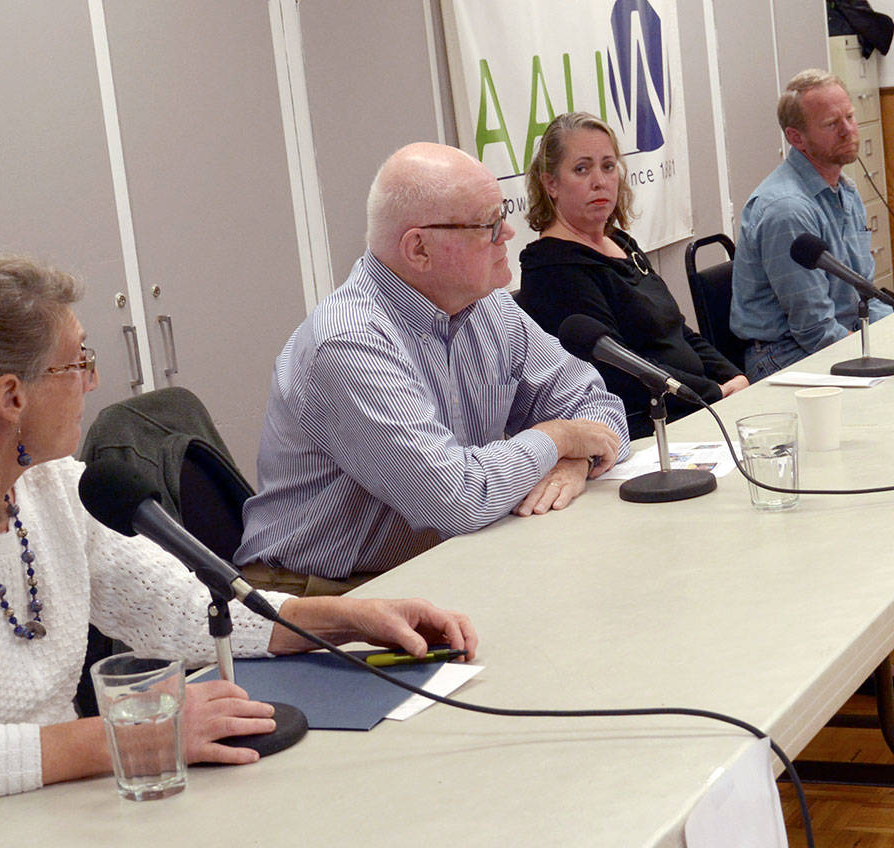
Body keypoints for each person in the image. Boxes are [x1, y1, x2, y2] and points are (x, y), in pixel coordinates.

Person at [0, 257, 478, 847]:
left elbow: (175, 612)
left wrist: (338, 619)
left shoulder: (52, 489)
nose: (93, 382)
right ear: (10, 396)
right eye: (79, 362)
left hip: (49, 817)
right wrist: (127, 737)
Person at [234, 143, 630, 596]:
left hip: (444, 560)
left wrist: (575, 461)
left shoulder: (488, 307)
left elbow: (594, 405)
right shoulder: (348, 344)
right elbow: (456, 499)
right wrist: (557, 439)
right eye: (489, 225)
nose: (508, 233)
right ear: (419, 248)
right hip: (328, 594)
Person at [517, 112, 748, 439]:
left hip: (695, 406)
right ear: (550, 183)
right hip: (643, 425)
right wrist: (712, 394)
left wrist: (735, 378)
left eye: (608, 166)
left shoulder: (622, 243)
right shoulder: (552, 268)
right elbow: (620, 371)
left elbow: (677, 330)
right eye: (582, 168)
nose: (599, 180)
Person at [730, 69, 893, 381]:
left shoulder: (845, 189)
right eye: (832, 124)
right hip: (786, 354)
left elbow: (867, 293)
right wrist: (877, 359)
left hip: (843, 336)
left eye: (850, 117)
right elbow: (814, 328)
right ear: (796, 138)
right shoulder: (787, 210)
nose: (849, 131)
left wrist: (893, 337)